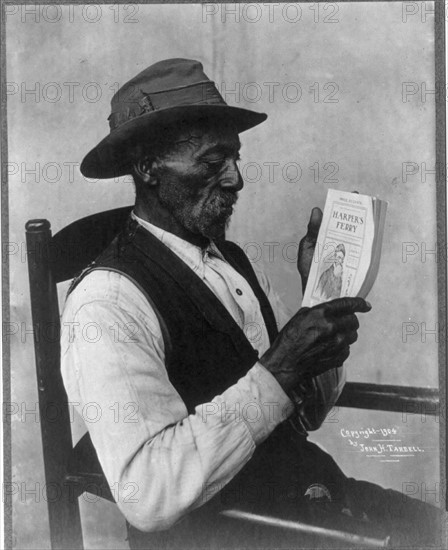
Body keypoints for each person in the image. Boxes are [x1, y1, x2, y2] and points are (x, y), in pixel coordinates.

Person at [61, 58, 440, 549]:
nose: (236, 179)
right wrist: (280, 367)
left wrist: (320, 301)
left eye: (235, 158)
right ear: (148, 167)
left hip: (311, 499)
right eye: (213, 162)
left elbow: (303, 419)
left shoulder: (232, 261)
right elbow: (147, 495)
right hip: (237, 533)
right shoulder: (106, 304)